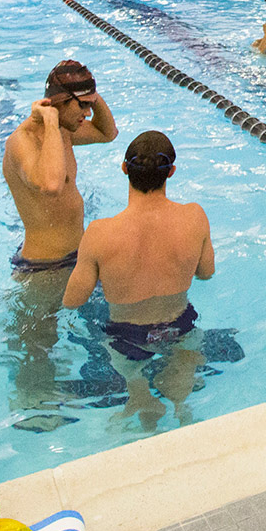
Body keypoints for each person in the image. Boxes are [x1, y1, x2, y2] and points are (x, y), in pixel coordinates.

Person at [63, 131, 215, 429]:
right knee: (183, 386)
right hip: (180, 325)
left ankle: (141, 402)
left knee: (134, 381)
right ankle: (182, 409)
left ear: (124, 169)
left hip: (126, 337)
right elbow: (206, 273)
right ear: (171, 171)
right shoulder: (195, 216)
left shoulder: (99, 232)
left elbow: (73, 300)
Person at [2, 60, 119, 276]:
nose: (88, 113)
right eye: (82, 105)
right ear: (59, 102)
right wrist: (49, 117)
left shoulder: (64, 130)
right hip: (43, 268)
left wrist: (92, 95)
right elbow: (52, 184)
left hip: (77, 255)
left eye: (89, 105)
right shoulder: (22, 141)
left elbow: (107, 134)